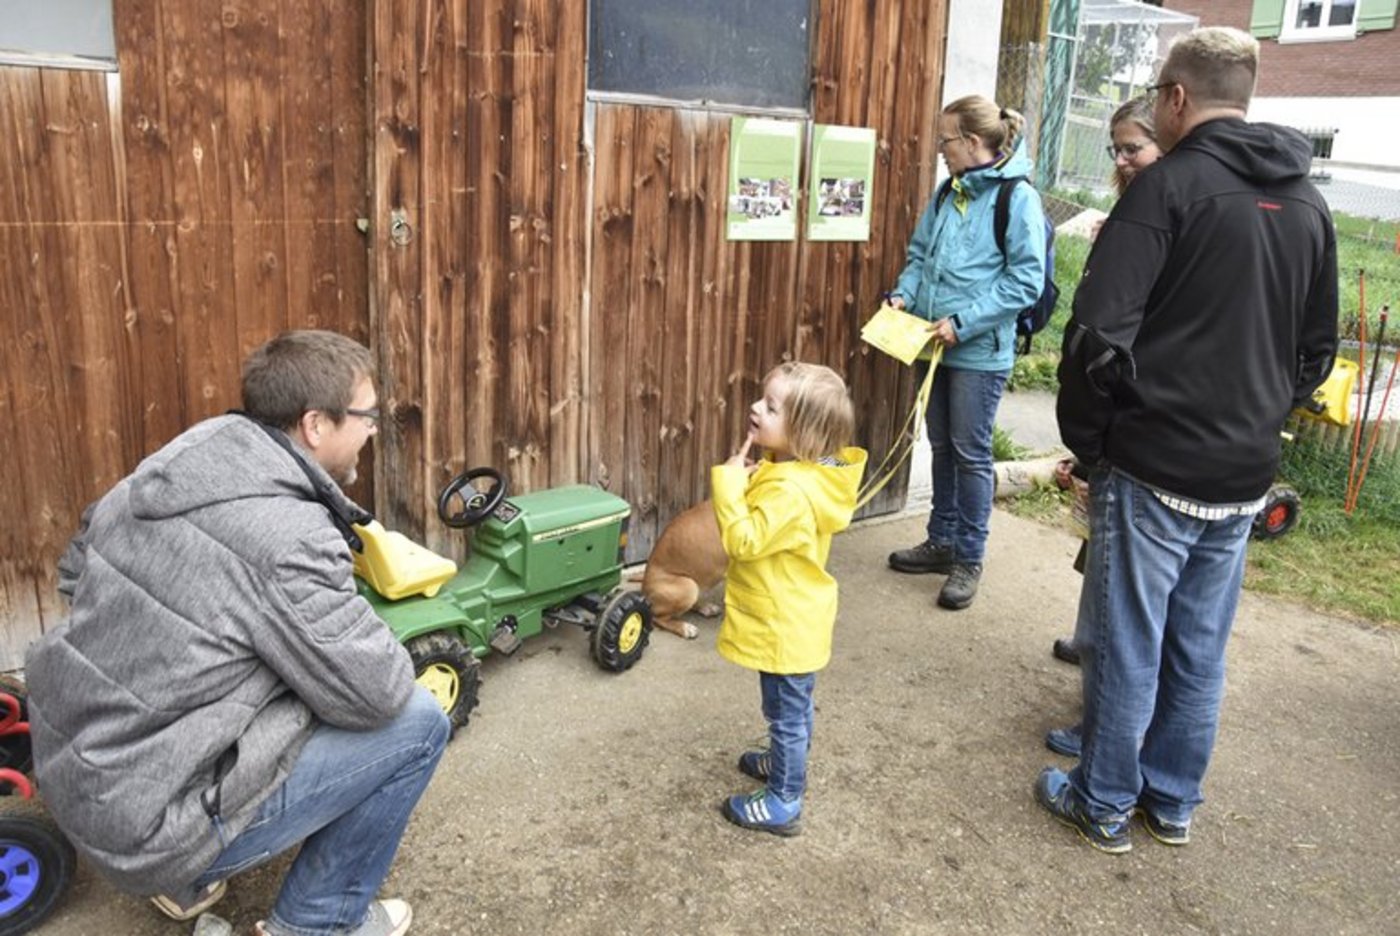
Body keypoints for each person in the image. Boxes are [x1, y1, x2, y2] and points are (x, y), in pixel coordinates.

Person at [26, 330, 449, 935]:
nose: (375, 427)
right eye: (367, 416)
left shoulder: (183, 460)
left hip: (77, 770)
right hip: (148, 826)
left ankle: (183, 879)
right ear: (314, 425)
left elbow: (75, 571)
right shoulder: (289, 536)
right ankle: (315, 924)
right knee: (417, 724)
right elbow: (377, 692)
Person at [1036, 27, 1338, 853]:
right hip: (1242, 472)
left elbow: (1096, 336)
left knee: (1132, 642)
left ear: (1175, 98)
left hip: (1155, 462)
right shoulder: (1309, 202)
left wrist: (1095, 445)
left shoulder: (1166, 189)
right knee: (1199, 647)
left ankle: (1101, 800)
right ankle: (1171, 802)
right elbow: (1318, 350)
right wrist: (1261, 416)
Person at [884, 94, 1049, 610]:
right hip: (931, 346)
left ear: (973, 142)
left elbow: (1026, 280)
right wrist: (902, 294)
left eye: (946, 141)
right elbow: (918, 257)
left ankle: (968, 557)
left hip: (978, 353)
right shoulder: (946, 193)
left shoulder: (1016, 199)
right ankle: (942, 540)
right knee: (941, 446)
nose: (940, 151)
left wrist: (963, 323)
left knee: (972, 455)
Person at [714, 363, 867, 836]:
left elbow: (743, 541)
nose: (756, 408)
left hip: (783, 623)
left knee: (785, 714)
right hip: (796, 617)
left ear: (802, 432)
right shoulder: (813, 473)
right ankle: (785, 762)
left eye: (772, 406)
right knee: (792, 710)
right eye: (763, 399)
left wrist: (729, 486)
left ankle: (784, 799)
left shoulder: (791, 492)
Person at [1049, 94, 1162, 675]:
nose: (1121, 159)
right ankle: (1089, 637)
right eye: (1115, 149)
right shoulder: (1131, 207)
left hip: (1135, 414)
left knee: (1122, 561)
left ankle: (1102, 665)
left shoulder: (1167, 210)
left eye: (1133, 147)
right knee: (1099, 544)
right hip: (1109, 409)